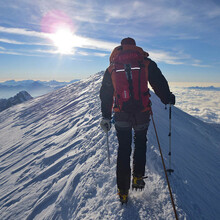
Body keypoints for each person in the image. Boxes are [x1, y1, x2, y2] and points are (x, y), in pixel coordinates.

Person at [100, 37, 175, 204]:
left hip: (121, 114)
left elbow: (106, 95)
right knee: (140, 143)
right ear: (134, 47)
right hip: (142, 112)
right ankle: (138, 178)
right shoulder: (146, 63)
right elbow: (159, 83)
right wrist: (167, 98)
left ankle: (123, 191)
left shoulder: (112, 68)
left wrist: (105, 116)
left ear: (120, 48)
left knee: (124, 148)